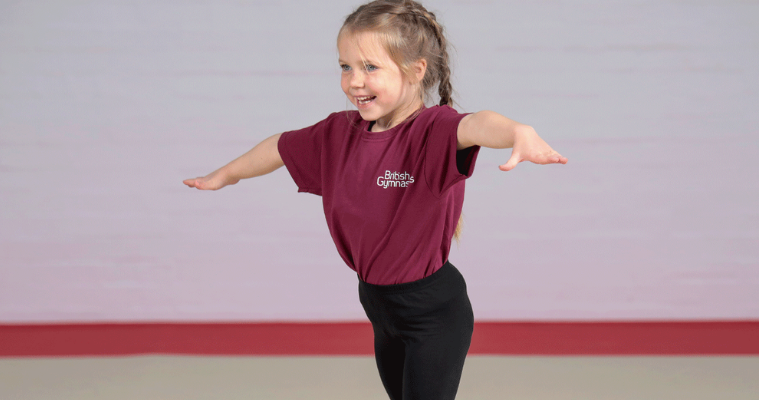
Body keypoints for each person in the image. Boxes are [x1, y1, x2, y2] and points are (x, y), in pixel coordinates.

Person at [183, 1, 567, 398]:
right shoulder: (339, 132)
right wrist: (225, 175)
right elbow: (280, 147)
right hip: (379, 306)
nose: (354, 81)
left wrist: (519, 131)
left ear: (416, 70)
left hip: (432, 314)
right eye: (345, 67)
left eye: (370, 67)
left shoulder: (431, 131)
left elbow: (477, 124)